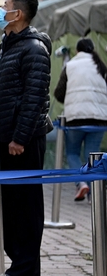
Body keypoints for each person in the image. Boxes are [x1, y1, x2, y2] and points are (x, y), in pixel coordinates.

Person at [0, 0, 51, 276]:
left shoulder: (33, 49)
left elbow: (34, 97)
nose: (1, 10)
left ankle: (26, 266)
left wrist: (20, 138)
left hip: (22, 141)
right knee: (10, 204)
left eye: (5, 6)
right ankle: (17, 261)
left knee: (25, 204)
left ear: (17, 13)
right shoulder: (9, 45)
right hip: (4, 137)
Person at [54, 37, 107, 201]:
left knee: (72, 153)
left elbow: (58, 93)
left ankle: (81, 183)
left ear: (77, 51)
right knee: (93, 156)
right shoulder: (101, 66)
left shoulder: (70, 66)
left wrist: (72, 100)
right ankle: (94, 195)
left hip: (75, 118)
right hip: (99, 119)